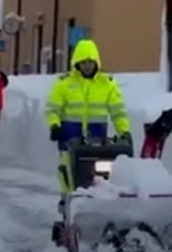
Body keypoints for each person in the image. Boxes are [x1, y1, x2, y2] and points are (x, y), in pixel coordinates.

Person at [46, 39, 130, 196]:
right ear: (77, 63)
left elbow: (118, 112)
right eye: (83, 62)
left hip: (97, 138)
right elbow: (53, 109)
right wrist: (54, 125)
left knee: (99, 174)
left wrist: (124, 131)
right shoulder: (64, 84)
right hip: (69, 137)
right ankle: (68, 200)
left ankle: (98, 202)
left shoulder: (107, 84)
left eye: (90, 62)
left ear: (96, 62)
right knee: (69, 173)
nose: (87, 66)